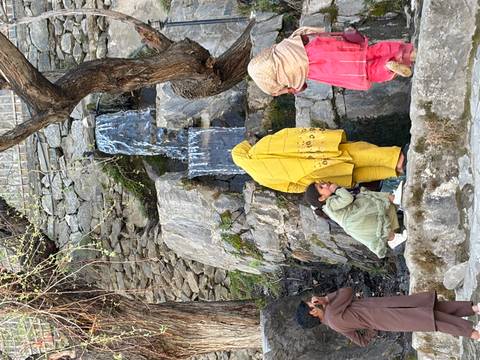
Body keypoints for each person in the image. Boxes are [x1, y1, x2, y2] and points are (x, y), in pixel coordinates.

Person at [248, 25, 415, 96]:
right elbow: (305, 36)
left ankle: (387, 67)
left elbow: (296, 88)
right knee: (368, 51)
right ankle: (408, 54)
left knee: (366, 72)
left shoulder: (280, 77)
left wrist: (291, 88)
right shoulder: (281, 49)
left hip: (322, 69)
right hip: (321, 49)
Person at [231, 127, 405, 193]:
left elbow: (291, 188)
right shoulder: (261, 147)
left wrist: (310, 183)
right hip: (315, 156)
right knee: (357, 153)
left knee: (356, 175)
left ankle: (393, 171)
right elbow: (289, 136)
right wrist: (319, 137)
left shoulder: (259, 177)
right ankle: (396, 158)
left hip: (314, 178)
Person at [295, 287, 480, 346]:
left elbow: (361, 341)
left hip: (386, 317)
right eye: (310, 304)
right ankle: (472, 333)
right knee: (431, 319)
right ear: (312, 312)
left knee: (430, 309)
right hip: (388, 313)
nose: (313, 302)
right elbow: (347, 291)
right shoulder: (332, 310)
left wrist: (371, 325)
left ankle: (473, 309)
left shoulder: (332, 323)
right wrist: (326, 298)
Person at [304, 181, 406, 258]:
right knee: (379, 226)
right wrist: (336, 189)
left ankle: (395, 200)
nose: (325, 185)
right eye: (321, 187)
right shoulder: (329, 205)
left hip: (357, 214)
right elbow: (347, 198)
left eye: (322, 183)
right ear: (321, 198)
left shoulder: (328, 203)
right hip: (357, 221)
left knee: (375, 202)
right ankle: (393, 239)